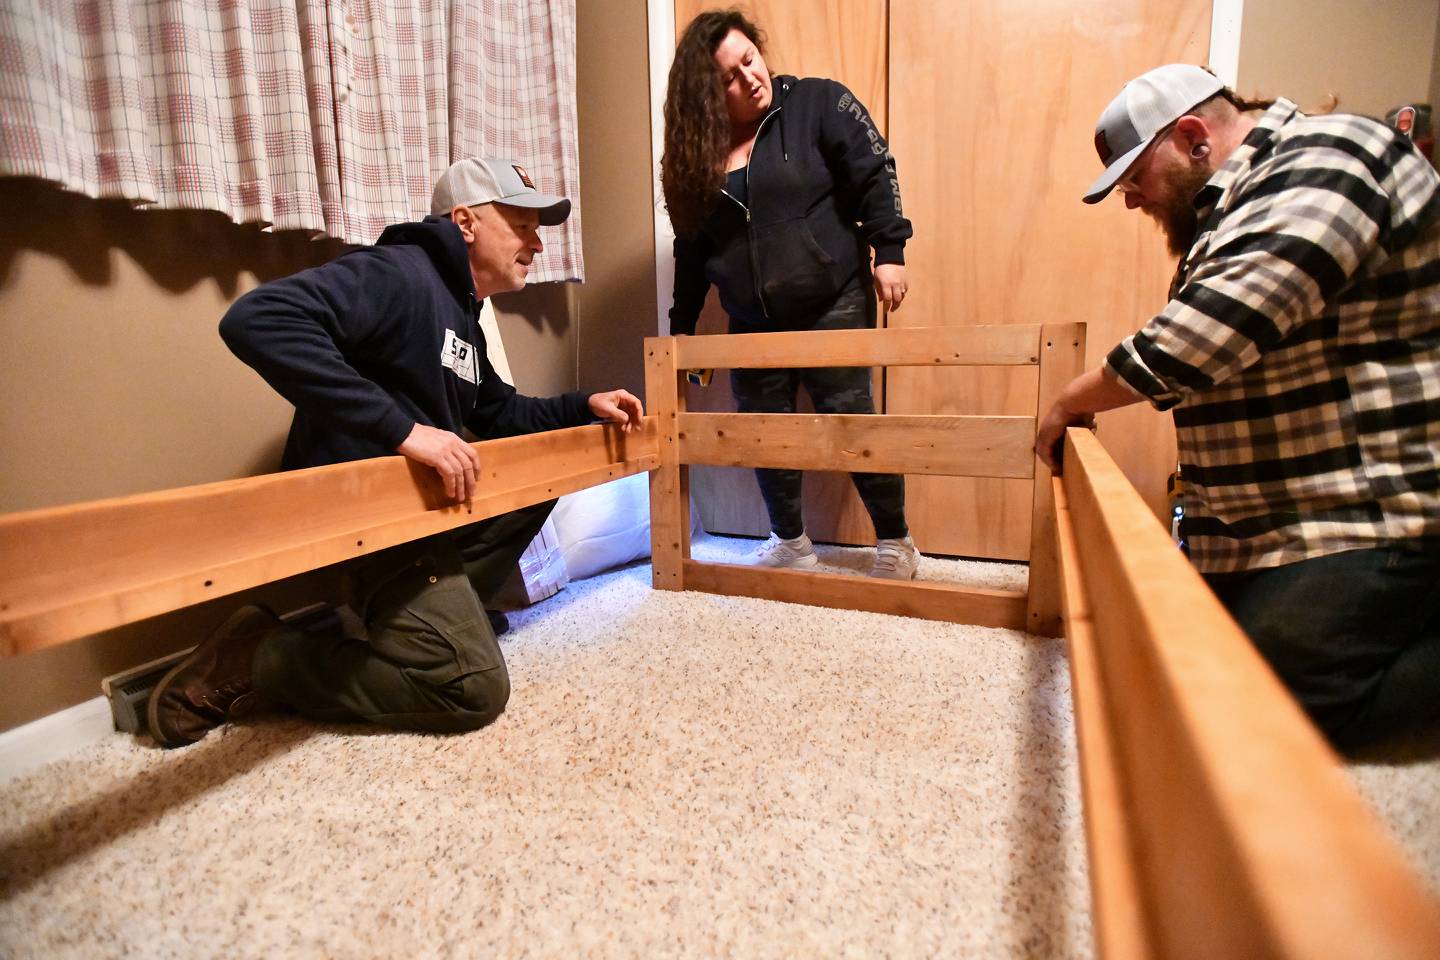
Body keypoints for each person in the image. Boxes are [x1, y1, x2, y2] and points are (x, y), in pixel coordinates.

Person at [147, 156, 644, 747]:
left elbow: (497, 412)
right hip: (359, 518)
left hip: (412, 518)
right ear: (464, 222)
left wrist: (580, 405)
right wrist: (404, 431)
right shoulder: (401, 274)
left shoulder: (462, 310)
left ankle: (439, 619)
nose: (536, 242)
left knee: (542, 471)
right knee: (472, 689)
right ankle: (261, 654)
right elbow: (258, 319)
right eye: (521, 224)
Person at [1035, 64, 1440, 749]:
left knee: (1271, 708)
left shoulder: (1330, 154)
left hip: (1364, 515)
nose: (1134, 201)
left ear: (1193, 136)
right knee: (1199, 672)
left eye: (1137, 179)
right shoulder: (1240, 207)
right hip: (1274, 528)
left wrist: (1069, 400)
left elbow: (1207, 336)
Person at [661, 8, 920, 580]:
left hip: (833, 298)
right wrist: (682, 324)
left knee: (850, 421)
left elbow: (874, 171)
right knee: (764, 430)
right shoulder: (695, 156)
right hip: (751, 318)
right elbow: (692, 249)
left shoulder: (818, 103)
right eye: (728, 77)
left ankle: (897, 541)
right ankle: (790, 541)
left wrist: (891, 251)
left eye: (748, 59)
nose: (748, 78)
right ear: (706, 95)